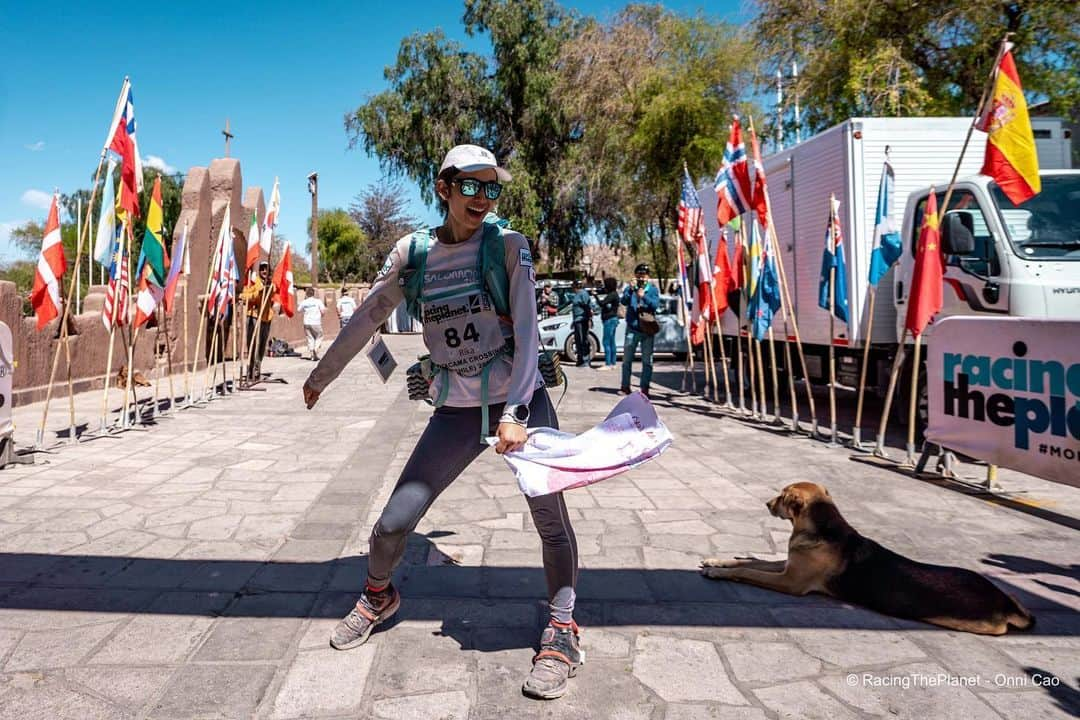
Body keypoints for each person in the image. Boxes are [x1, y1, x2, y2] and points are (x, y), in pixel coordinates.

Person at [302, 144, 581, 700]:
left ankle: (563, 631)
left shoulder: (508, 248)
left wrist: (516, 414)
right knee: (390, 524)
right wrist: (323, 375)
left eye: (491, 188)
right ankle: (379, 595)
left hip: (518, 407)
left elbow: (527, 334)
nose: (481, 198)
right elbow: (370, 314)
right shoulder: (415, 254)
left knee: (550, 523)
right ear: (444, 187)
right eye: (470, 186)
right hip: (455, 411)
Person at [620, 263, 659, 397]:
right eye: (639, 275)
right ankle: (625, 386)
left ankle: (644, 388)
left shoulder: (652, 290)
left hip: (647, 330)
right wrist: (631, 290)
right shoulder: (630, 289)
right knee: (627, 360)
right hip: (632, 329)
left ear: (648, 277)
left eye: (644, 275)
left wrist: (644, 296)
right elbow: (624, 301)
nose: (642, 278)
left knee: (647, 361)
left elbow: (655, 305)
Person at [239, 262, 277, 379]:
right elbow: (243, 296)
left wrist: (269, 287)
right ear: (259, 271)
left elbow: (273, 294)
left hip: (266, 317)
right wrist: (258, 294)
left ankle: (257, 368)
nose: (265, 272)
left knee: (262, 345)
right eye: (263, 269)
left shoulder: (271, 284)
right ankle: (250, 369)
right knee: (253, 344)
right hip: (254, 317)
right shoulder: (253, 282)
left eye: (267, 270)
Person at [597, 276, 620, 370]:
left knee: (606, 341)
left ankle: (608, 363)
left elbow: (602, 303)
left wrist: (595, 296)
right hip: (613, 319)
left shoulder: (612, 295)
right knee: (612, 342)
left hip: (609, 320)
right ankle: (613, 363)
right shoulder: (615, 294)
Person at [298, 287, 326, 361]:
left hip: (306, 322)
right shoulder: (318, 301)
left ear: (306, 294)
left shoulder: (304, 302)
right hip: (316, 322)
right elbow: (323, 311)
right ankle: (315, 349)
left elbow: (299, 310)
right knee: (319, 336)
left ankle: (312, 355)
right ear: (313, 293)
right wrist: (321, 315)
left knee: (310, 338)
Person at [570, 280, 593, 367]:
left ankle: (586, 360)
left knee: (584, 340)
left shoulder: (583, 294)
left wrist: (589, 319)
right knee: (578, 340)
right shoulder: (576, 295)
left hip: (582, 320)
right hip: (577, 320)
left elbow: (587, 307)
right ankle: (580, 360)